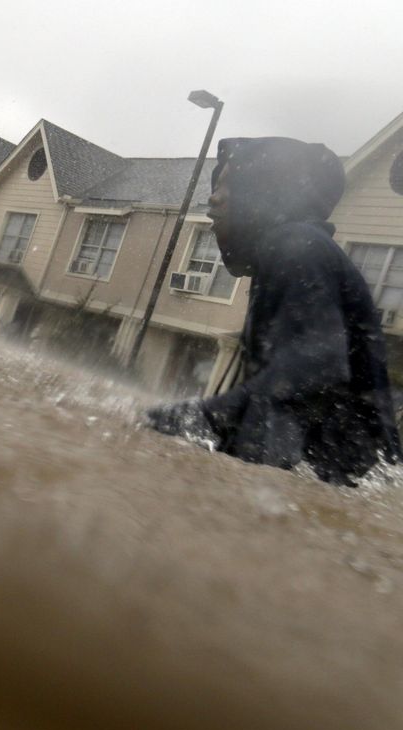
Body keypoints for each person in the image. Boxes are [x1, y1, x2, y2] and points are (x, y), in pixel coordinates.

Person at [144, 137, 401, 485]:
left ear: (262, 191)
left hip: (346, 487)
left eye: (226, 184)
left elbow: (314, 370)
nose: (213, 197)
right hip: (344, 486)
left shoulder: (295, 246)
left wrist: (199, 418)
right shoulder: (295, 251)